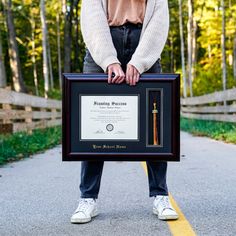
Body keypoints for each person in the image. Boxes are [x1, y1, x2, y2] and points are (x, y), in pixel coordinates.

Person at [70, 0, 179, 224]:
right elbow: (91, 14)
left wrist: (140, 61)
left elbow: (159, 16)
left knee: (153, 127)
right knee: (93, 128)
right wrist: (108, 59)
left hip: (143, 41)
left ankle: (160, 195)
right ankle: (87, 198)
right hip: (103, 39)